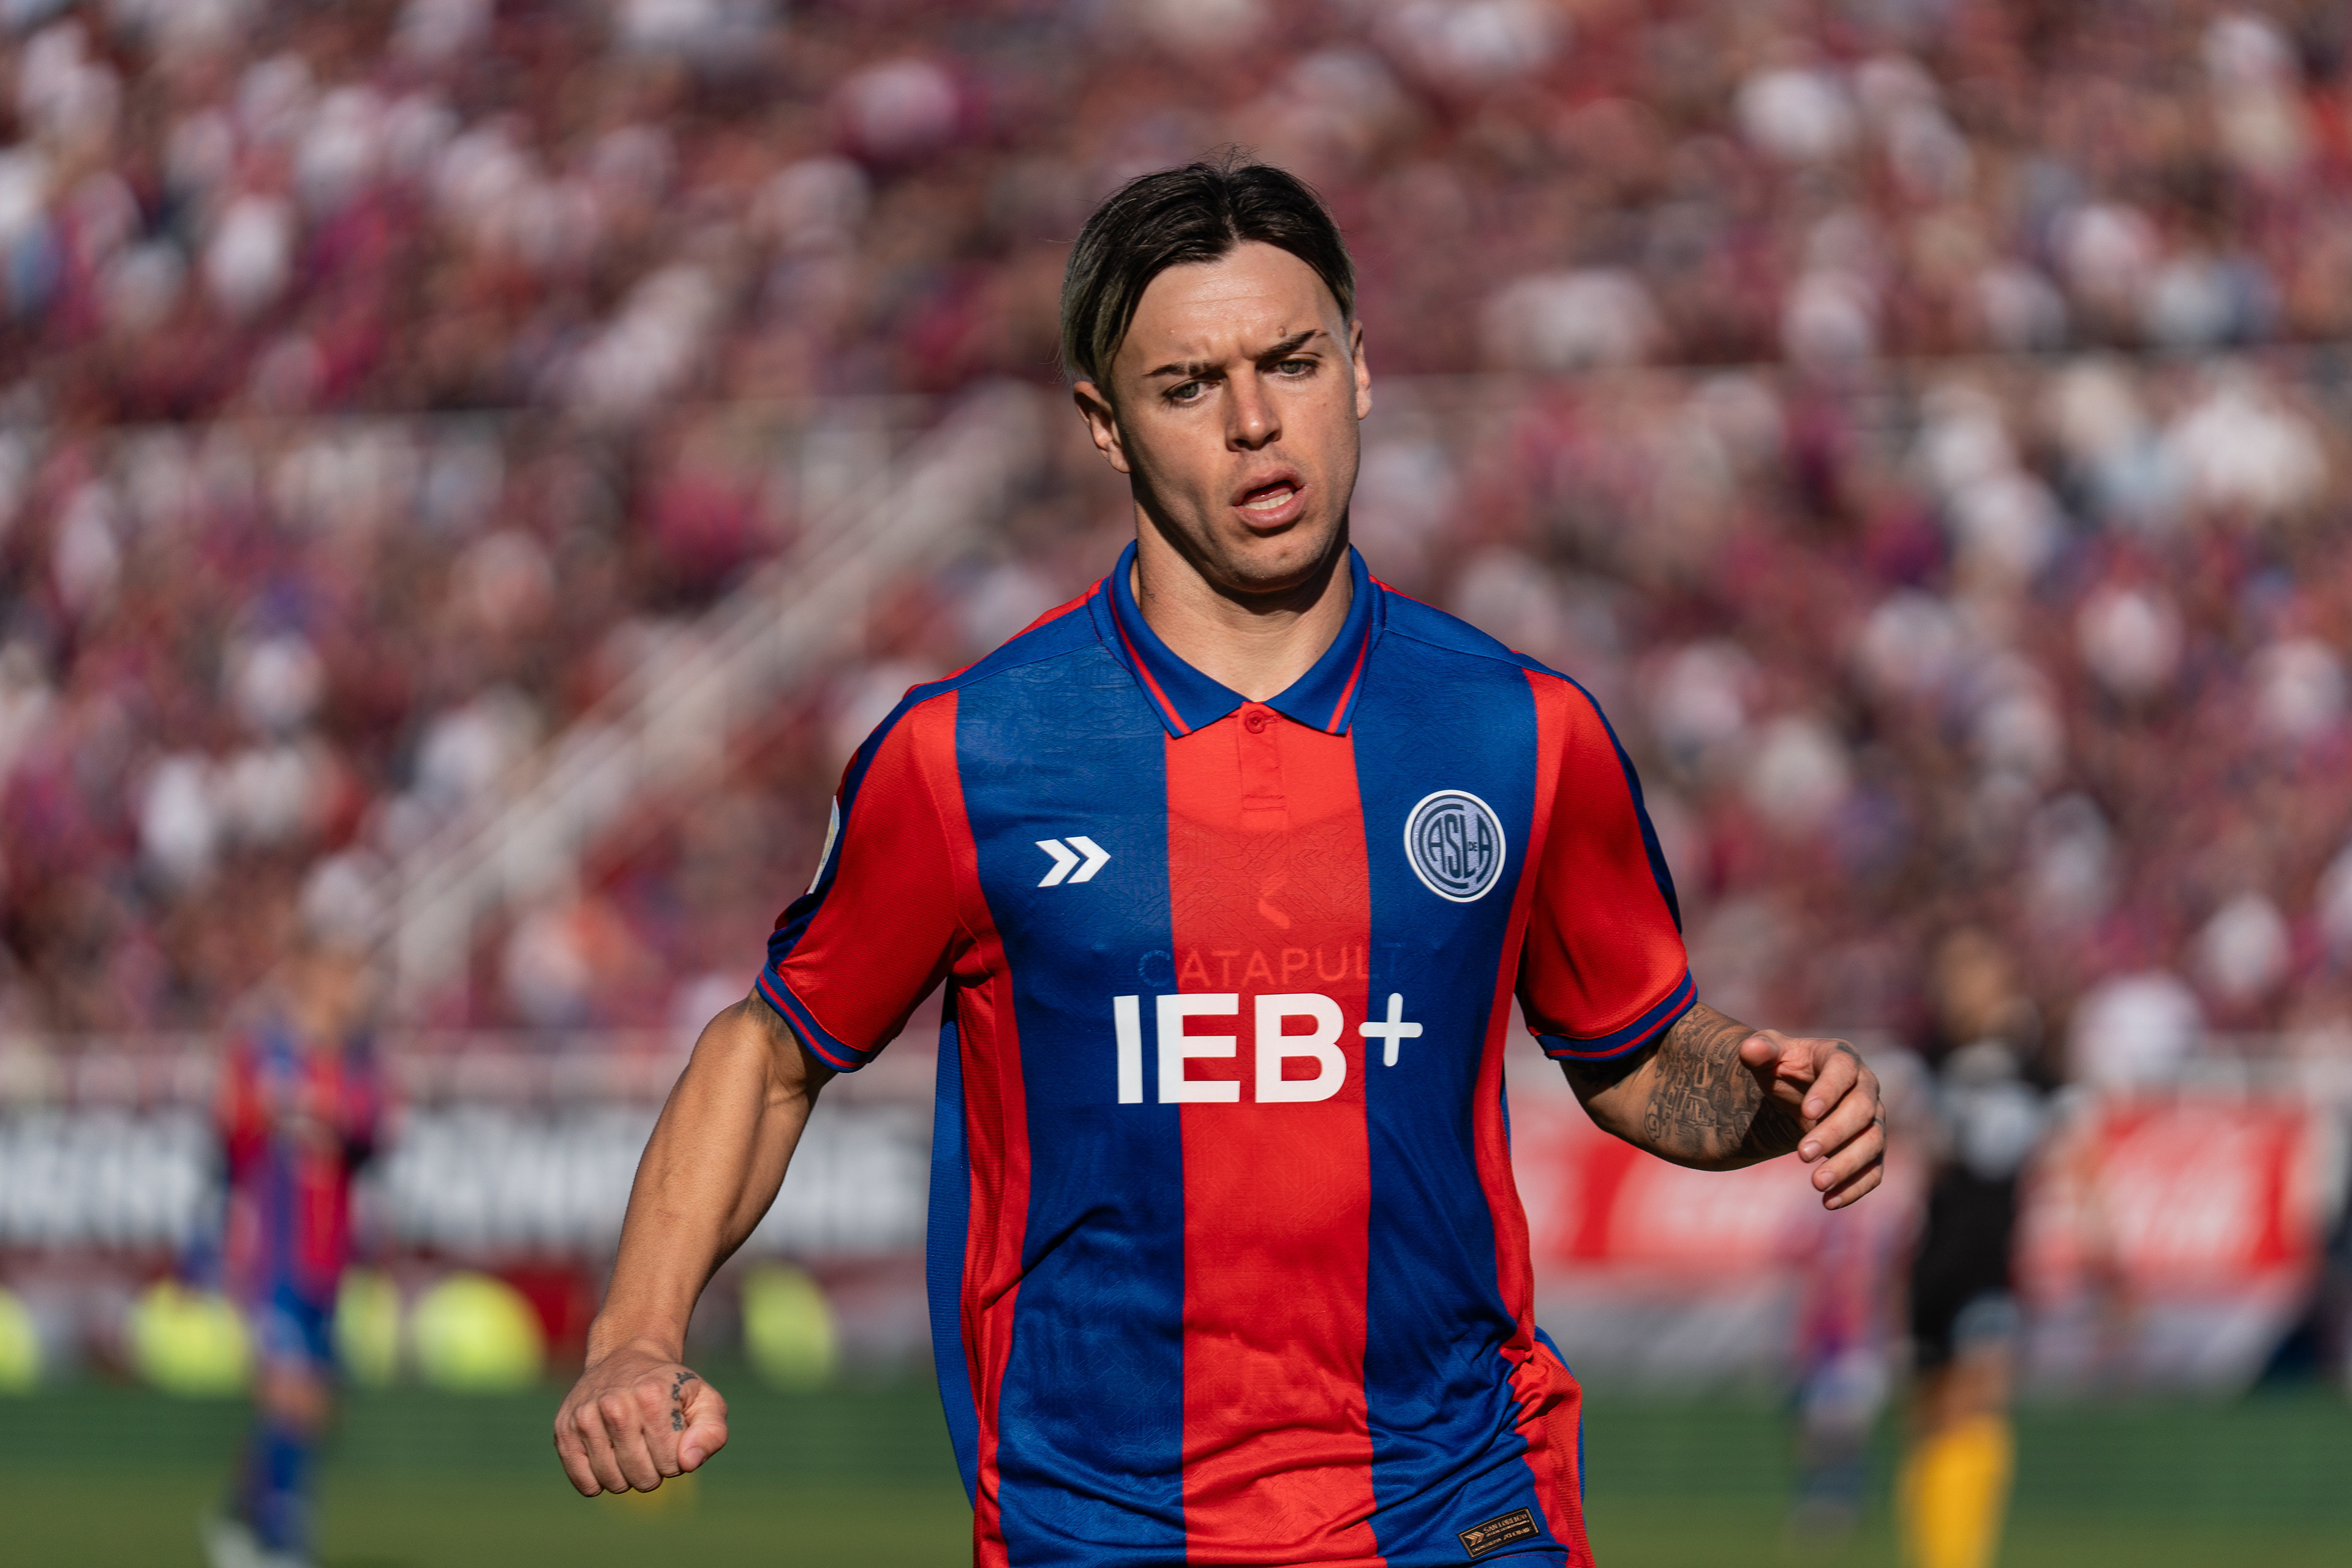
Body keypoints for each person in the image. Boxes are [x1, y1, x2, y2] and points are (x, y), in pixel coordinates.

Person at [553, 155, 1887, 1567]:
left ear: (1359, 370)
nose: (1257, 422)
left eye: (1292, 361)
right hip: (1103, 1527)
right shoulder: (971, 754)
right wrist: (634, 1335)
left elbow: (1630, 1049)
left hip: (1461, 1502)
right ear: (1105, 426)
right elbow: (773, 1050)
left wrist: (1763, 1095)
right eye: (1189, 385)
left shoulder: (1518, 729)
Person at [205, 922, 383, 1568]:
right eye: (342, 974)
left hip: (327, 1252)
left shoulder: (357, 1060)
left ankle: (242, 1508)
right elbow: (230, 1130)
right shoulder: (262, 1050)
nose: (353, 989)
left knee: (316, 1402)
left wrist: (330, 1120)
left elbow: (371, 1133)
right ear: (309, 975)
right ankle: (279, 1536)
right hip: (271, 1247)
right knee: (289, 1389)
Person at [1899, 929, 2048, 1568]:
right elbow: (1919, 1164)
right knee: (1935, 1417)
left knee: (1981, 1398)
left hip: (1991, 1256)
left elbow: (2071, 1153)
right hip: (1937, 1257)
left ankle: (1963, 1557)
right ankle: (1938, 1554)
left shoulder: (2030, 1065)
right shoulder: (1929, 1060)